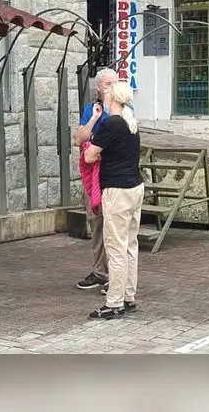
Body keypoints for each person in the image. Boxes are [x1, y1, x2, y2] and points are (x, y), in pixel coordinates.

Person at [83, 81, 144, 319]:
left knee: (115, 247)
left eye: (107, 94)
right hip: (135, 186)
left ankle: (114, 302)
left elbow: (89, 155)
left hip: (117, 190)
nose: (104, 97)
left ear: (114, 98)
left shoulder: (112, 123)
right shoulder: (131, 122)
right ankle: (128, 295)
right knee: (130, 244)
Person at [72, 68, 119, 292]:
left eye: (115, 83)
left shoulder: (122, 110)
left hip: (113, 176)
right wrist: (93, 119)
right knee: (96, 223)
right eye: (109, 84)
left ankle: (116, 276)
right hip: (93, 177)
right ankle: (101, 271)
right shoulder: (92, 109)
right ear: (99, 87)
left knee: (113, 227)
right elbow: (78, 139)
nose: (112, 87)